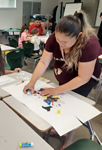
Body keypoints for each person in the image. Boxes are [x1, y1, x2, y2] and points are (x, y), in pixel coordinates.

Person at [23, 10, 102, 149]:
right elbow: (43, 62)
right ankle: (60, 128)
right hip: (66, 74)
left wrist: (56, 90)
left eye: (65, 42)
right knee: (61, 100)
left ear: (79, 36)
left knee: (73, 107)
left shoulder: (90, 44)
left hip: (85, 80)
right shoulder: (55, 38)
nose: (60, 45)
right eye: (58, 40)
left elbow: (83, 77)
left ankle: (69, 139)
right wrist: (32, 82)